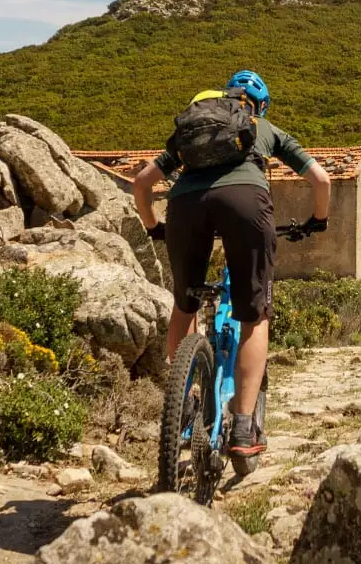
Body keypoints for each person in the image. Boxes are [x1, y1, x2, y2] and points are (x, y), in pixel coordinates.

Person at [132, 70, 330, 459]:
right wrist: (317, 220)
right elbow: (321, 180)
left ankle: (183, 401)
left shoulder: (195, 131)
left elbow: (141, 184)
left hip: (184, 207)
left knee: (185, 304)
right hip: (245, 203)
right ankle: (242, 428)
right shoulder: (265, 128)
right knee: (253, 316)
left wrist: (155, 226)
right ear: (260, 105)